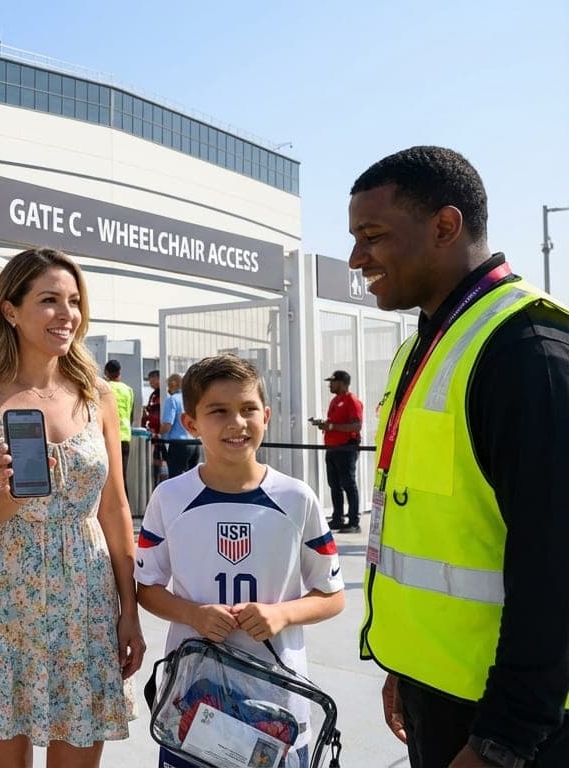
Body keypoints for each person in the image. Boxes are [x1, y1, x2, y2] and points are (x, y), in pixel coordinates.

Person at [349, 146, 569, 767]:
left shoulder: (528, 353)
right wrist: (407, 670)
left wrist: (501, 741)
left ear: (446, 226)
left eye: (373, 235)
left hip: (515, 729)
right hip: (439, 698)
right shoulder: (426, 344)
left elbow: (556, 572)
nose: (356, 257)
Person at [0, 248, 143, 766]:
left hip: (84, 597)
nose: (66, 314)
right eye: (48, 300)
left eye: (73, 301)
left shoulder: (96, 394)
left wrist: (129, 609)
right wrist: (12, 490)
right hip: (1, 595)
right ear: (10, 310)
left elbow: (114, 506)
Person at [135, 354, 346, 768]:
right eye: (219, 411)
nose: (238, 422)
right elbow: (146, 588)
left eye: (248, 409)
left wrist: (282, 614)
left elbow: (332, 595)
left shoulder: (296, 498)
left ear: (265, 416)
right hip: (193, 703)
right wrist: (193, 614)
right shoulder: (170, 498)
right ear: (192, 424)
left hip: (280, 705)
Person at [309, 370, 363, 533]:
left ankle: (354, 521)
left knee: (348, 484)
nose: (330, 385)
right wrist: (325, 424)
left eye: (333, 381)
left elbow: (356, 426)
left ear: (342, 383)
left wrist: (331, 427)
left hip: (346, 447)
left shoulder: (351, 400)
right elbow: (336, 422)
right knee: (334, 485)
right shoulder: (335, 401)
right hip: (333, 448)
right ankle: (338, 518)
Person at [159, 373, 198, 478]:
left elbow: (167, 424)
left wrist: (158, 433)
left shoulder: (172, 400)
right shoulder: (192, 400)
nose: (168, 389)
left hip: (178, 444)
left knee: (176, 478)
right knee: (192, 478)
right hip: (195, 443)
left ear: (174, 384)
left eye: (168, 385)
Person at [104, 358, 135, 475]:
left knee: (109, 476)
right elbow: (130, 414)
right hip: (125, 437)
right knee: (122, 475)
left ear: (106, 373)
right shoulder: (128, 390)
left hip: (108, 437)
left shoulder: (104, 387)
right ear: (120, 372)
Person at [142, 369, 167, 485]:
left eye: (152, 379)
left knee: (160, 459)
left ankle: (160, 482)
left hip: (160, 434)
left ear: (158, 379)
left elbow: (158, 413)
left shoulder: (163, 394)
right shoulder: (154, 394)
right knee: (156, 459)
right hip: (154, 433)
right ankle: (156, 482)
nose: (150, 383)